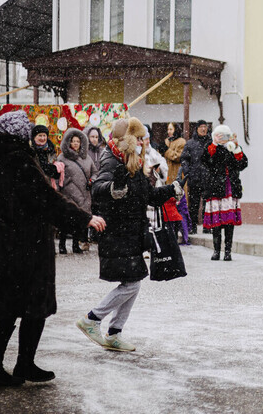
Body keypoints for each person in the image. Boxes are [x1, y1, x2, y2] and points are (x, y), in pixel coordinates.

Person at [0, 110, 105, 387]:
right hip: (22, 246)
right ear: (19, 134)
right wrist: (85, 218)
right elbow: (47, 200)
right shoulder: (18, 159)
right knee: (32, 307)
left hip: (2, 245)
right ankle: (15, 365)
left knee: (8, 310)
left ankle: (0, 367)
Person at [76, 118, 181, 352]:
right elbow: (98, 188)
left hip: (131, 232)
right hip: (117, 231)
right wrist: (113, 189)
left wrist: (171, 190)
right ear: (129, 141)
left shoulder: (133, 162)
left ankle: (114, 333)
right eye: (140, 138)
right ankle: (92, 319)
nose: (145, 142)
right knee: (132, 284)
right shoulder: (112, 160)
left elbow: (146, 196)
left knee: (133, 282)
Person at [202, 125, 248, 261]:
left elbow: (243, 164)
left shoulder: (232, 148)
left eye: (224, 135)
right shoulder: (211, 148)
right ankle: (216, 251)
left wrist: (236, 147)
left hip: (231, 187)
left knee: (229, 222)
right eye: (219, 135)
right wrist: (215, 143)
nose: (222, 138)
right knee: (216, 222)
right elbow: (206, 161)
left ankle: (228, 251)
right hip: (216, 188)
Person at [57, 128, 96, 254]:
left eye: (77, 141)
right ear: (68, 142)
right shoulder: (62, 158)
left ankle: (75, 244)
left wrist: (92, 180)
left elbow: (95, 172)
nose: (75, 143)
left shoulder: (87, 158)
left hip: (84, 193)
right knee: (65, 220)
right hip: (68, 193)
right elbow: (58, 175)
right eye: (73, 141)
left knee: (79, 221)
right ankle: (62, 245)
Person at [181, 120, 211, 234]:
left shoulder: (210, 142)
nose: (203, 129)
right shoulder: (190, 143)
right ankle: (192, 226)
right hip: (194, 178)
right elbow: (184, 159)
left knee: (207, 204)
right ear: (197, 128)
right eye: (201, 127)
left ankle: (207, 226)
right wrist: (187, 171)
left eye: (205, 127)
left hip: (208, 178)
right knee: (193, 204)